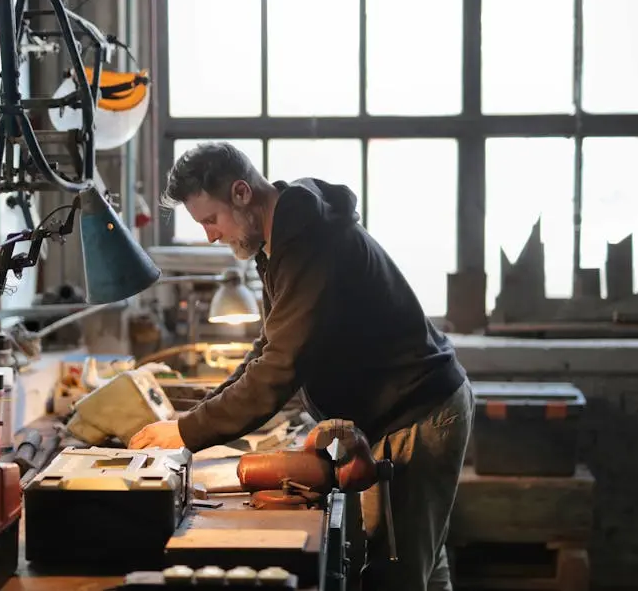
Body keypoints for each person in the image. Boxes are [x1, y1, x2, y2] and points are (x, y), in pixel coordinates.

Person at [129, 141, 474, 591]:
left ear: (240, 193)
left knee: (397, 573)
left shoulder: (311, 242)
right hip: (402, 412)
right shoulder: (276, 245)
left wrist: (188, 433)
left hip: (417, 415)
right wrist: (197, 416)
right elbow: (269, 345)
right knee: (422, 562)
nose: (211, 235)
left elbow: (279, 368)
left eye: (210, 220)